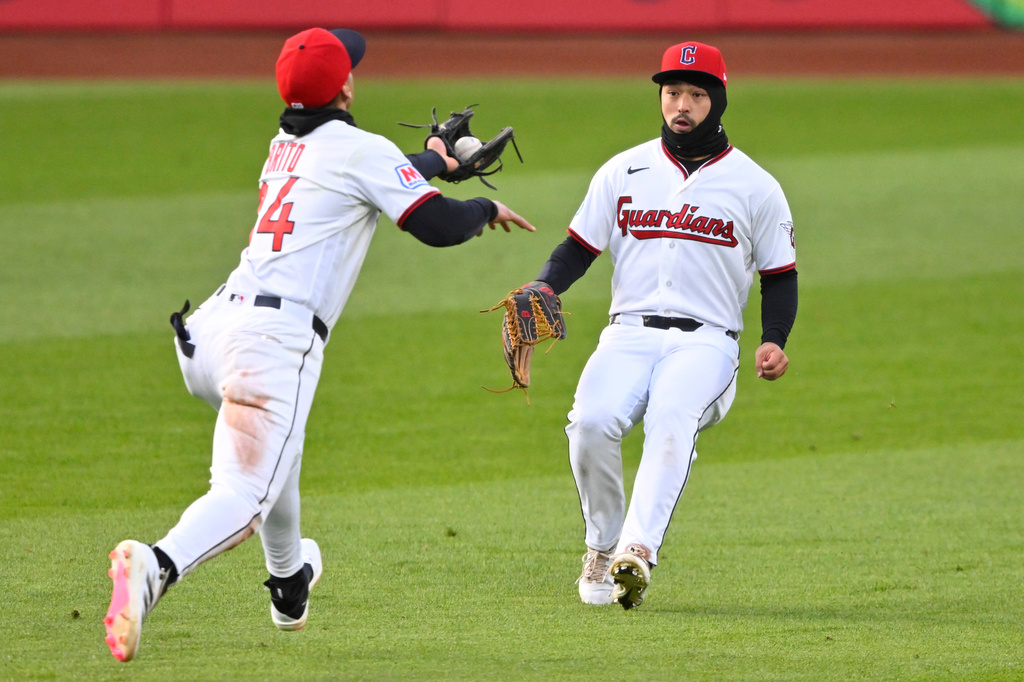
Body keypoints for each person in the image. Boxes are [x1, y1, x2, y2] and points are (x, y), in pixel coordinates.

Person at [103, 27, 534, 662]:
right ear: (347, 85)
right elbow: (435, 224)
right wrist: (479, 209)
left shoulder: (284, 145)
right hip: (270, 348)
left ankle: (289, 585)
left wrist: (437, 163)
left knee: (281, 449)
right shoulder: (360, 150)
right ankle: (156, 567)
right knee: (245, 493)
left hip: (213, 332)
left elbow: (368, 179)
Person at [525, 41, 797, 609]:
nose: (682, 104)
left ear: (718, 101)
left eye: (697, 94)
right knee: (591, 424)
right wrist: (546, 285)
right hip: (628, 333)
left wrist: (774, 339)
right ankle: (603, 546)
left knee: (671, 418)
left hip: (707, 343)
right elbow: (578, 248)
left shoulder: (755, 186)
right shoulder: (624, 169)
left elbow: (780, 274)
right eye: (673, 92)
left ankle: (637, 552)